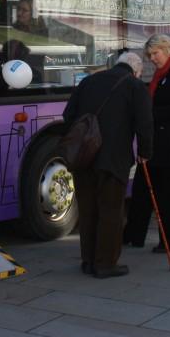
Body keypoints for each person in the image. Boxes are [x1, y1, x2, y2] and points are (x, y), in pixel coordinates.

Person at [62, 51, 153, 278]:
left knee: (88, 209)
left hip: (84, 157)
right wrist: (144, 152)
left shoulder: (89, 81)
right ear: (137, 70)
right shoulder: (134, 86)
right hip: (114, 159)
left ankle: (88, 260)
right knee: (111, 210)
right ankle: (105, 264)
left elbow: (68, 114)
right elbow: (144, 123)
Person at [123, 34, 170, 254]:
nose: (152, 58)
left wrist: (147, 113)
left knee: (168, 197)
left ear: (167, 50)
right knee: (141, 192)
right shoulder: (159, 75)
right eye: (150, 55)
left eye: (155, 53)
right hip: (153, 144)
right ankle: (133, 236)